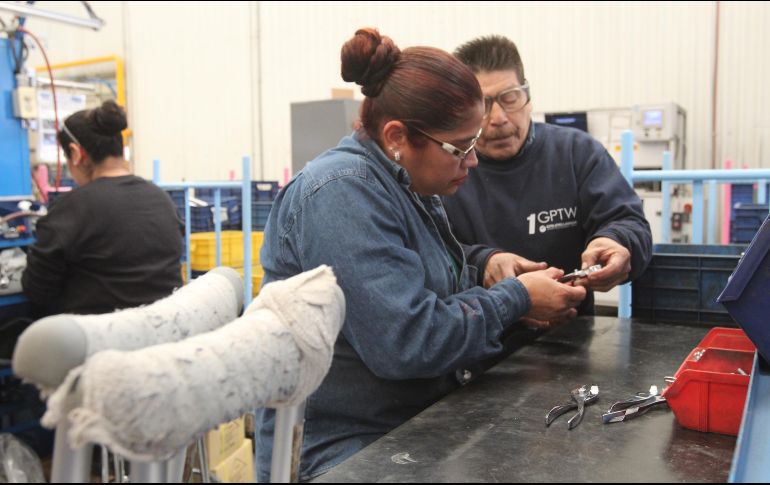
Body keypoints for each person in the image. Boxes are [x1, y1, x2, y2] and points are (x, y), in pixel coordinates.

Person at [255, 28, 586, 481]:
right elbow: (408, 340)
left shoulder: (405, 181)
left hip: (414, 421)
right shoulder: (340, 194)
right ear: (397, 136)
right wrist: (517, 299)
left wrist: (485, 268)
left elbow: (419, 271)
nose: (472, 161)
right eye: (461, 147)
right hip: (345, 445)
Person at [442, 35, 652, 315]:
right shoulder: (446, 170)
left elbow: (627, 220)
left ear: (528, 96)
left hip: (574, 336)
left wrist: (616, 241)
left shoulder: (577, 153)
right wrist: (483, 263)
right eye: (483, 104)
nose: (499, 118)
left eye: (510, 98)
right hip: (481, 342)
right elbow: (431, 252)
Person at [22, 100, 183, 317]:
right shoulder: (161, 199)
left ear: (76, 153)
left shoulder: (71, 209)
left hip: (99, 341)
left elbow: (37, 291)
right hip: (164, 334)